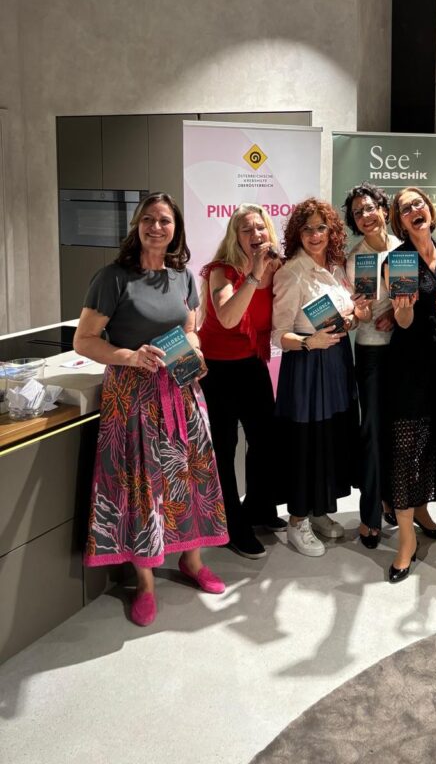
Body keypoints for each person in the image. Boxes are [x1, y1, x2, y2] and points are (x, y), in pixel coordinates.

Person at [74, 192, 229, 627]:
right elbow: (84, 340)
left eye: (164, 220)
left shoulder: (182, 277)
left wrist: (194, 352)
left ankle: (192, 561)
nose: (156, 227)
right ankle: (145, 582)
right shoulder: (112, 278)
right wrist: (130, 355)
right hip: (132, 395)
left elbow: (191, 330)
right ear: (137, 225)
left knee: (190, 475)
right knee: (142, 484)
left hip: (180, 388)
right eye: (148, 219)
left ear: (176, 228)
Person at [271, 198, 358, 557]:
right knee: (306, 443)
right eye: (307, 229)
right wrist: (309, 342)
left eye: (321, 227)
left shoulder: (336, 267)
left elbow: (348, 311)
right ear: (297, 234)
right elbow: (279, 335)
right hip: (307, 367)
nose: (314, 235)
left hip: (336, 361)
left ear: (331, 230)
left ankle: (319, 511)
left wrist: (350, 319)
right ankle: (297, 521)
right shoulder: (292, 272)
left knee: (330, 439)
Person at [198, 203, 284, 560]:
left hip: (252, 363)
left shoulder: (277, 269)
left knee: (266, 439)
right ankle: (232, 525)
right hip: (218, 368)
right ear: (235, 237)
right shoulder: (222, 271)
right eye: (246, 229)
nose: (255, 235)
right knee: (225, 446)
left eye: (260, 227)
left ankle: (259, 507)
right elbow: (229, 318)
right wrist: (252, 275)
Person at [386, 187, 436, 583]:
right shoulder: (397, 260)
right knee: (405, 449)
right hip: (408, 366)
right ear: (400, 222)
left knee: (435, 440)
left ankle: (422, 510)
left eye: (418, 203)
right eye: (405, 208)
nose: (414, 210)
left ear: (429, 210)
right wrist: (404, 308)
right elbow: (402, 323)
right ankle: (405, 540)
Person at [343, 183, 401, 550]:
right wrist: (361, 313)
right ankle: (370, 515)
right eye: (357, 213)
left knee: (399, 432)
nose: (365, 216)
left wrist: (396, 313)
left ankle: (392, 499)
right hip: (372, 353)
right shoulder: (355, 259)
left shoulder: (404, 248)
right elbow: (357, 315)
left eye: (369, 208)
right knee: (373, 433)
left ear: (383, 208)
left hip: (406, 354)